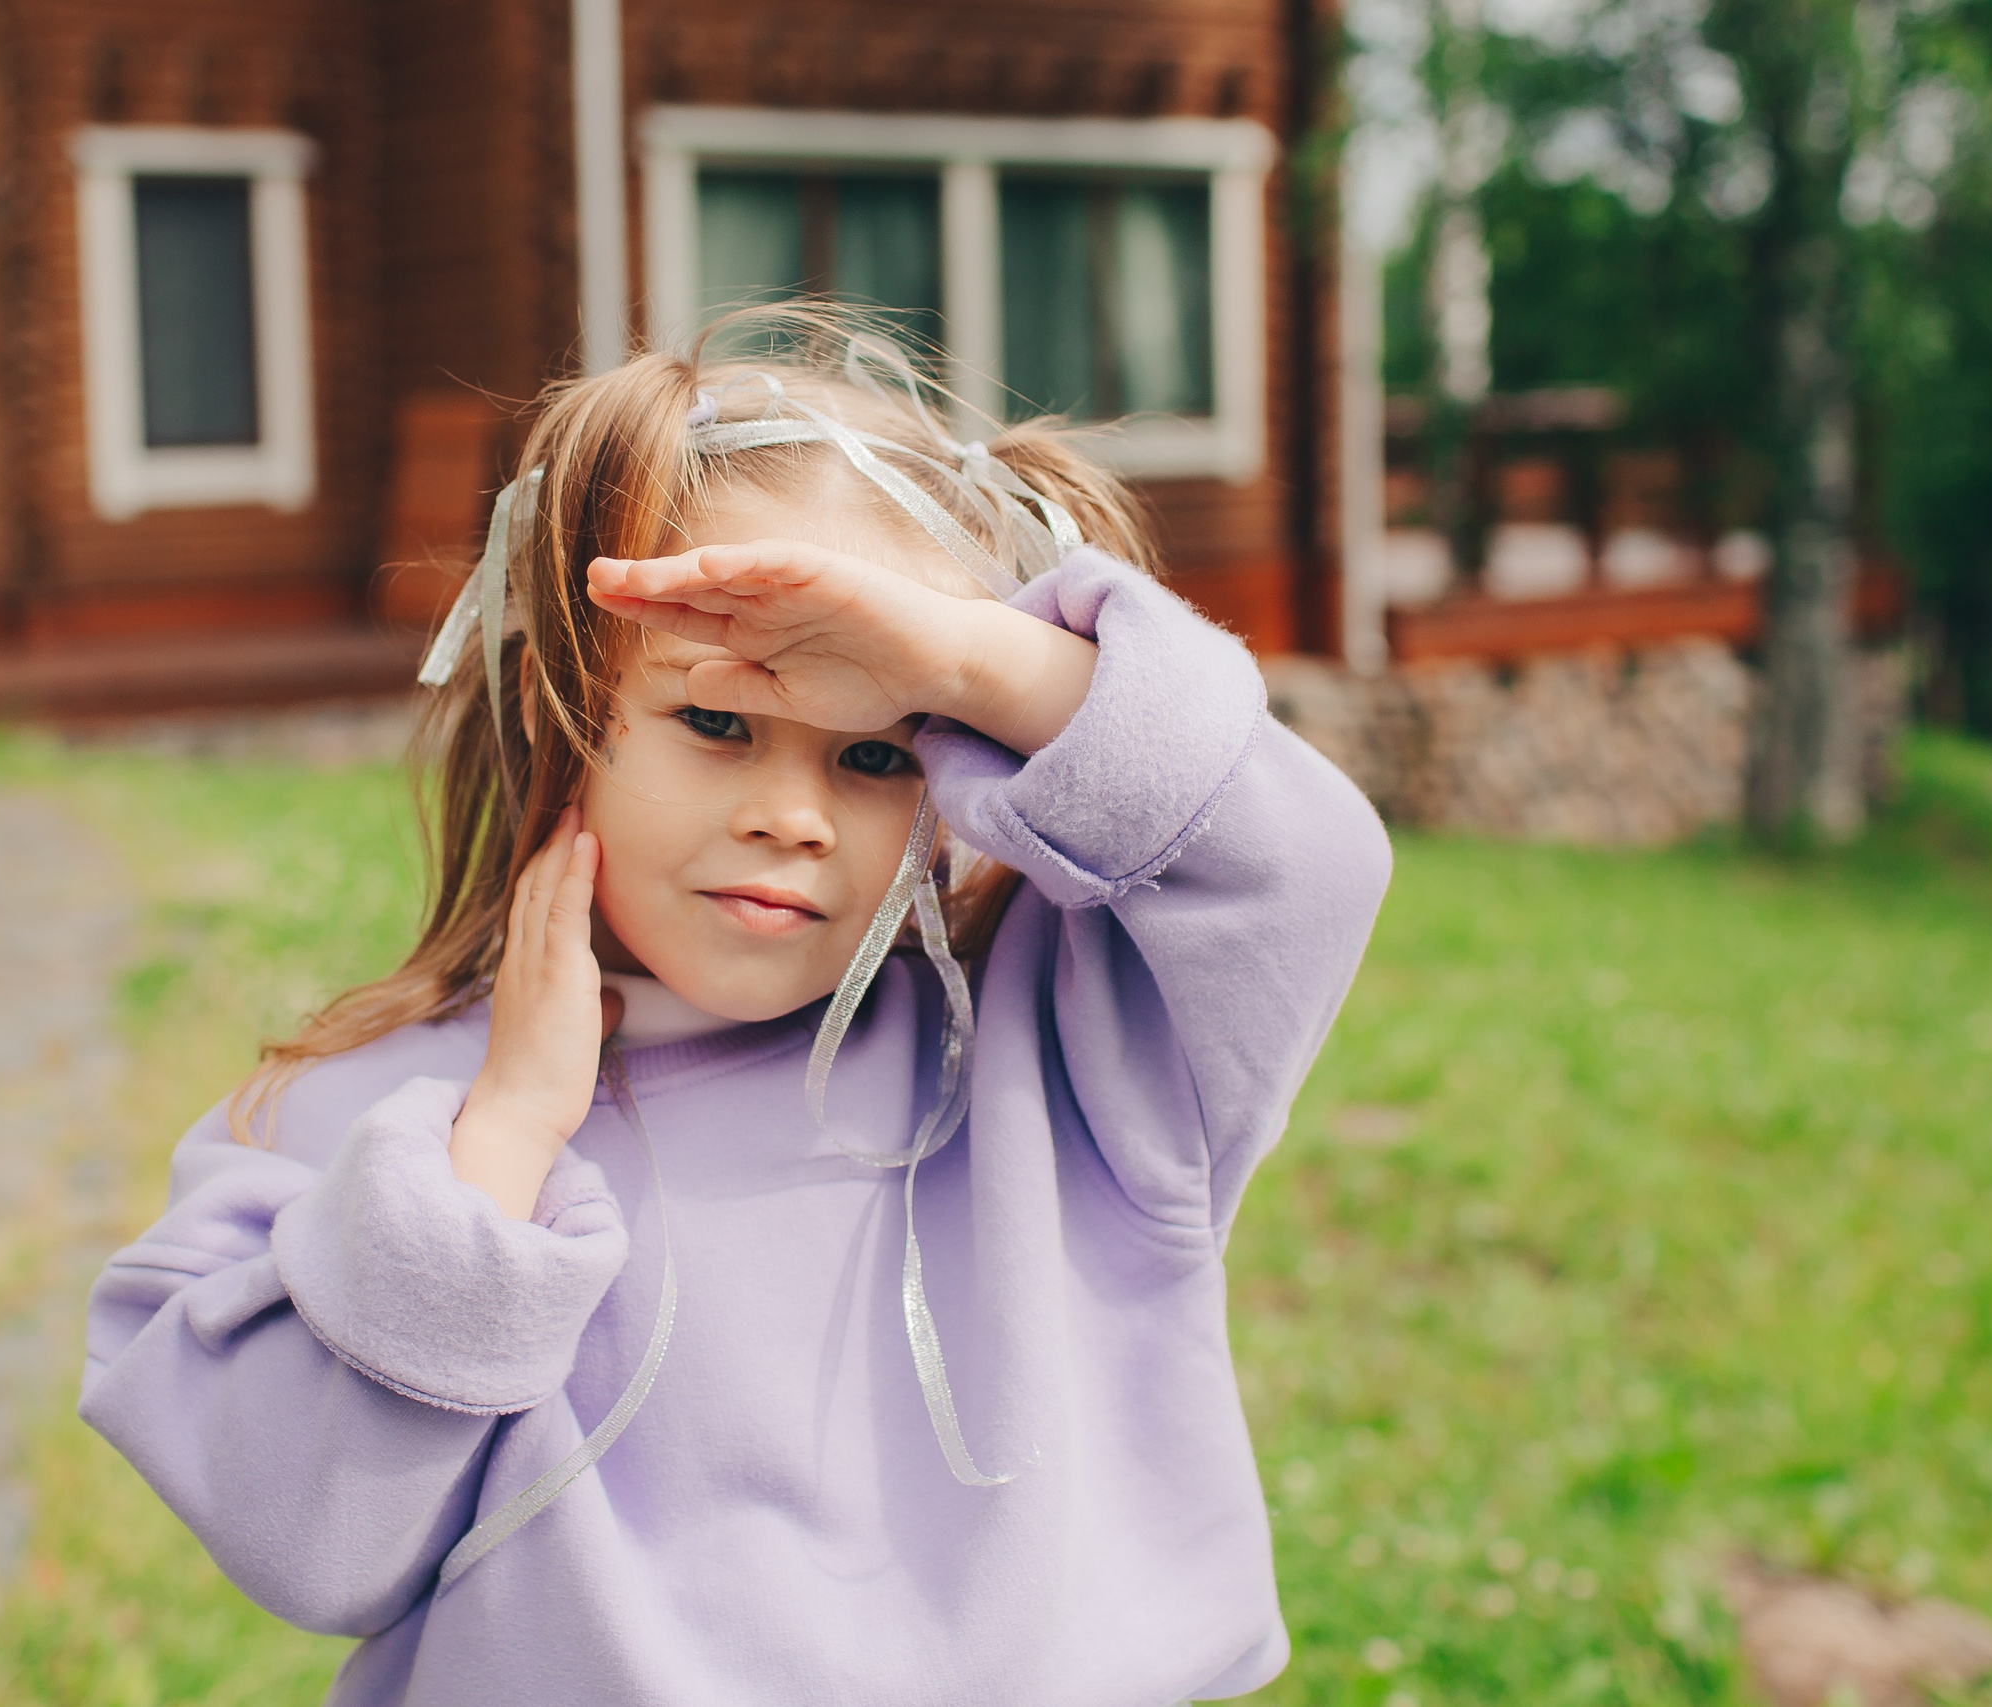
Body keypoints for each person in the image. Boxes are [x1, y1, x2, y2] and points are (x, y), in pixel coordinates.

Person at [79, 314, 1394, 1707]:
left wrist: (970, 661)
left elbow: (1306, 865)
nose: (790, 817)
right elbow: (310, 1544)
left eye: (880, 752)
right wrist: (505, 1142)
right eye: (717, 724)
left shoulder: (1068, 1065)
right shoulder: (359, 1119)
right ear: (560, 704)